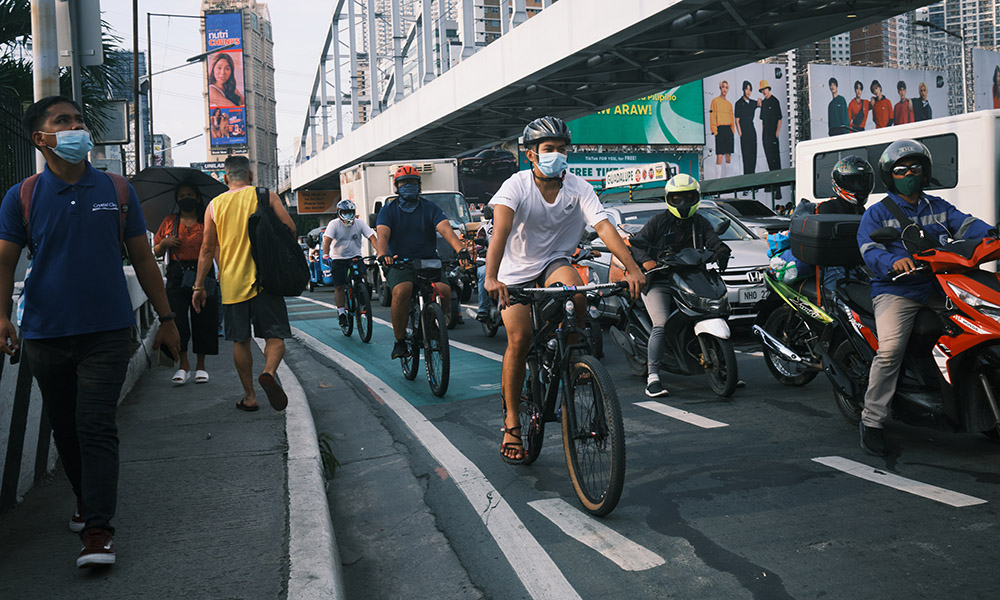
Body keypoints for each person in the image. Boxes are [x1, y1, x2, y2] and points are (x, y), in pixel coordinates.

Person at [0, 96, 180, 568]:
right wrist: (2, 316)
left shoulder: (117, 190)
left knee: (96, 425)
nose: (78, 127)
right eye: (64, 122)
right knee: (67, 427)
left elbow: (143, 258)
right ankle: (85, 501)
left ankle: (99, 531)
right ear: (41, 139)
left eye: (79, 119)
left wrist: (167, 320)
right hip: (44, 333)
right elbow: (3, 262)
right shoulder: (21, 196)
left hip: (107, 330)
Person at [484, 116, 645, 463]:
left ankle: (573, 358)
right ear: (531, 154)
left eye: (561, 149)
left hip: (554, 262)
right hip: (514, 272)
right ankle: (513, 421)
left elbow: (603, 226)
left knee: (578, 294)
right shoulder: (516, 186)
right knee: (519, 339)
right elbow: (500, 232)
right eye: (548, 149)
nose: (556, 155)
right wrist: (492, 276)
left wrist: (631, 268)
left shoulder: (579, 187)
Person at [856, 140, 992, 456]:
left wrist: (991, 235)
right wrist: (893, 262)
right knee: (890, 351)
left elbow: (970, 226)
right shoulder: (876, 214)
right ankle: (873, 420)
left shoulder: (939, 207)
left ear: (925, 172)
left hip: (940, 286)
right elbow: (869, 249)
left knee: (982, 329)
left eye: (915, 168)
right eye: (902, 170)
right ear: (890, 176)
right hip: (897, 290)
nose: (909, 174)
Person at [192, 155, 294, 413]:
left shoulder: (214, 206)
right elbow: (290, 228)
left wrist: (198, 287)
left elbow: (206, 249)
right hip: (266, 280)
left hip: (232, 283)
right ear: (250, 175)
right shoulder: (265, 196)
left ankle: (250, 396)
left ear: (225, 178)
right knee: (275, 335)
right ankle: (269, 372)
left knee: (240, 341)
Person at [628, 175, 731, 397]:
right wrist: (647, 261)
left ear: (697, 198)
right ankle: (653, 375)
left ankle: (723, 368)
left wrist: (721, 250)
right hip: (660, 281)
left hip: (692, 279)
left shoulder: (701, 222)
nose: (683, 203)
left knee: (714, 310)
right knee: (661, 324)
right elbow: (637, 244)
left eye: (688, 198)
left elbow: (714, 240)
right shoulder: (658, 221)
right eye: (677, 198)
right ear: (669, 199)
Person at [375, 165, 468, 360]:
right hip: (399, 261)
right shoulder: (388, 210)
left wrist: (461, 250)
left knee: (444, 291)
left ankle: (434, 326)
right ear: (396, 187)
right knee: (402, 291)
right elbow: (382, 234)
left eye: (412, 183)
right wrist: (383, 254)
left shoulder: (430, 208)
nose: (408, 186)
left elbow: (446, 230)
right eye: (404, 183)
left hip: (428, 260)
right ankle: (400, 341)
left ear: (419, 186)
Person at [153, 184, 219, 385]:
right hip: (176, 274)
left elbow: (215, 246)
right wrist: (165, 243)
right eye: (182, 195)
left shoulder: (206, 220)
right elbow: (155, 250)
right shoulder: (169, 222)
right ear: (177, 199)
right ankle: (184, 365)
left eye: (190, 195)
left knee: (204, 320)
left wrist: (221, 272)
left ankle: (201, 366)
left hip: (202, 274)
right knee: (178, 320)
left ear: (198, 199)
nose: (186, 198)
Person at [816, 155, 874, 289]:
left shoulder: (861, 210)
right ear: (839, 182)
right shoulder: (828, 207)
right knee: (847, 305)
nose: (859, 187)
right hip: (833, 268)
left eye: (862, 182)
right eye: (854, 182)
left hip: (856, 265)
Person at [321, 199, 377, 327]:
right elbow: (327, 241)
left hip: (355, 257)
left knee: (363, 279)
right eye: (345, 212)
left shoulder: (360, 223)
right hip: (338, 258)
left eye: (350, 212)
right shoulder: (333, 224)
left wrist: (380, 252)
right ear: (339, 213)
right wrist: (325, 255)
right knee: (339, 286)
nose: (348, 215)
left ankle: (361, 299)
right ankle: (341, 312)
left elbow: (372, 237)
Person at [759, 80, 783, 199]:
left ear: (768, 89)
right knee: (769, 158)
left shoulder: (775, 101)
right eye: (762, 90)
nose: (764, 91)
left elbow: (780, 118)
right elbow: (762, 120)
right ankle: (772, 184)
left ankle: (778, 188)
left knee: (775, 159)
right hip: (766, 135)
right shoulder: (763, 103)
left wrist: (777, 133)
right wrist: (763, 133)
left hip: (773, 134)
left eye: (765, 89)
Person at [709, 80, 735, 177]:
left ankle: (727, 178)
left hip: (728, 130)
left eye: (726, 87)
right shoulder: (715, 101)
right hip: (720, 130)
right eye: (723, 87)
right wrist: (715, 131)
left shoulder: (729, 104)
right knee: (719, 156)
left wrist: (732, 131)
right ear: (720, 88)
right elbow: (712, 116)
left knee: (728, 156)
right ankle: (718, 180)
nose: (725, 89)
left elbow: (732, 118)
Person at [733, 80, 759, 175]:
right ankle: (747, 180)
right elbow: (737, 120)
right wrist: (740, 134)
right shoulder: (738, 103)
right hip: (744, 132)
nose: (748, 92)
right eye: (746, 89)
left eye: (750, 90)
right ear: (743, 90)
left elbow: (760, 104)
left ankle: (753, 179)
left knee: (753, 155)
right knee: (746, 157)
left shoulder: (752, 103)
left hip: (752, 130)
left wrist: (760, 100)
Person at [475, 204, 495, 322]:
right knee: (483, 274)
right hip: (486, 262)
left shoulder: (513, 225)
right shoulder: (484, 229)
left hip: (507, 262)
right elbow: (478, 247)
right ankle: (483, 309)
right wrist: (483, 251)